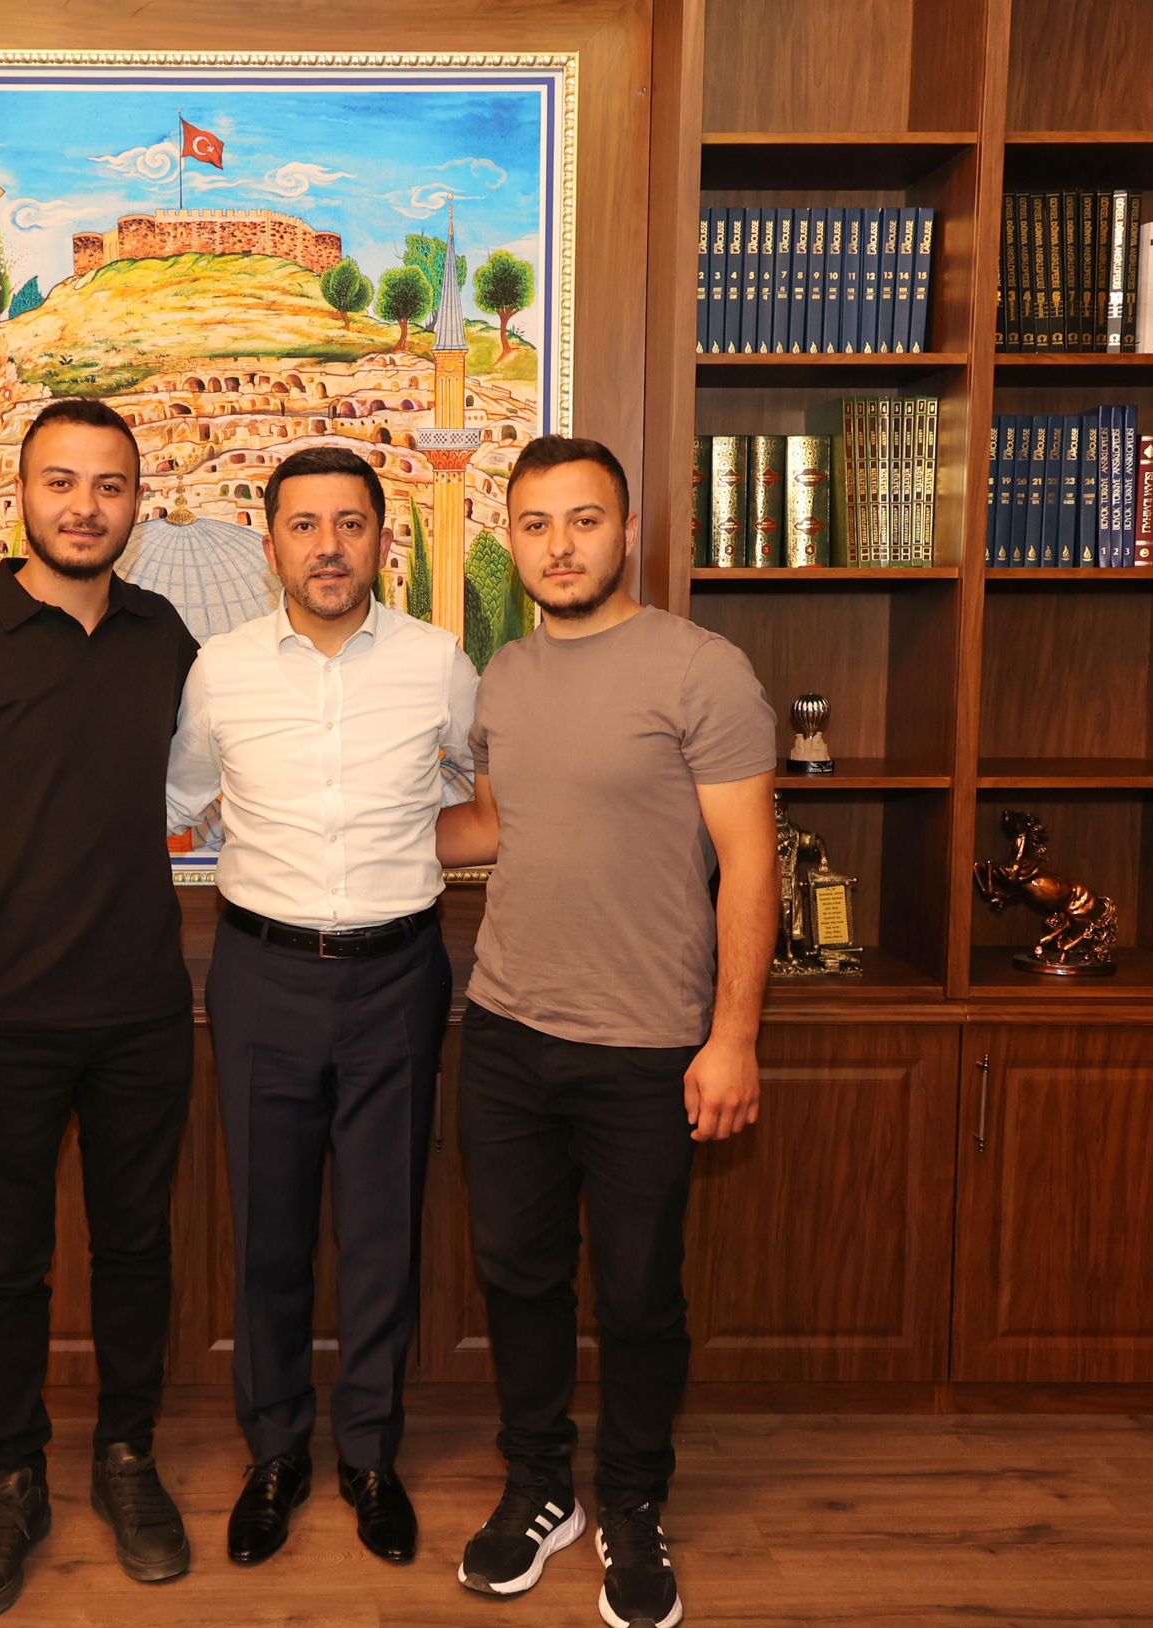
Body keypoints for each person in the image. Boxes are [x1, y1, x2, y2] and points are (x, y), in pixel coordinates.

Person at [438, 435, 776, 1628]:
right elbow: (489, 827)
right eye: (535, 523)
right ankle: (541, 1486)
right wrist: (329, 824)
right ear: (513, 537)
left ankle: (631, 1498)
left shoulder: (699, 669)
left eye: (583, 520)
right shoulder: (504, 676)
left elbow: (749, 865)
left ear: (626, 532)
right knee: (516, 1275)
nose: (559, 545)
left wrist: (731, 1036)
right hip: (505, 1029)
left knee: (636, 1292)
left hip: (646, 1045)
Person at [0, 398, 201, 1619]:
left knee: (135, 1247)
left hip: (140, 1008)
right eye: (60, 481)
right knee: (7, 1260)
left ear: (137, 501)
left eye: (108, 485)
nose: (84, 506)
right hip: (0, 1020)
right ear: (20, 493)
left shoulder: (164, 636)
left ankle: (126, 1454)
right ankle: (12, 1475)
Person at [165, 446, 477, 1568]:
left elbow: (479, 790)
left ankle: (371, 1454)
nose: (328, 547)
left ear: (381, 540)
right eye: (304, 525)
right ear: (271, 547)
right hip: (261, 976)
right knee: (268, 1229)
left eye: (350, 523)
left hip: (398, 973)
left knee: (385, 1228)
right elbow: (180, 798)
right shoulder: (220, 670)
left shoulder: (440, 663)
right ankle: (275, 1452)